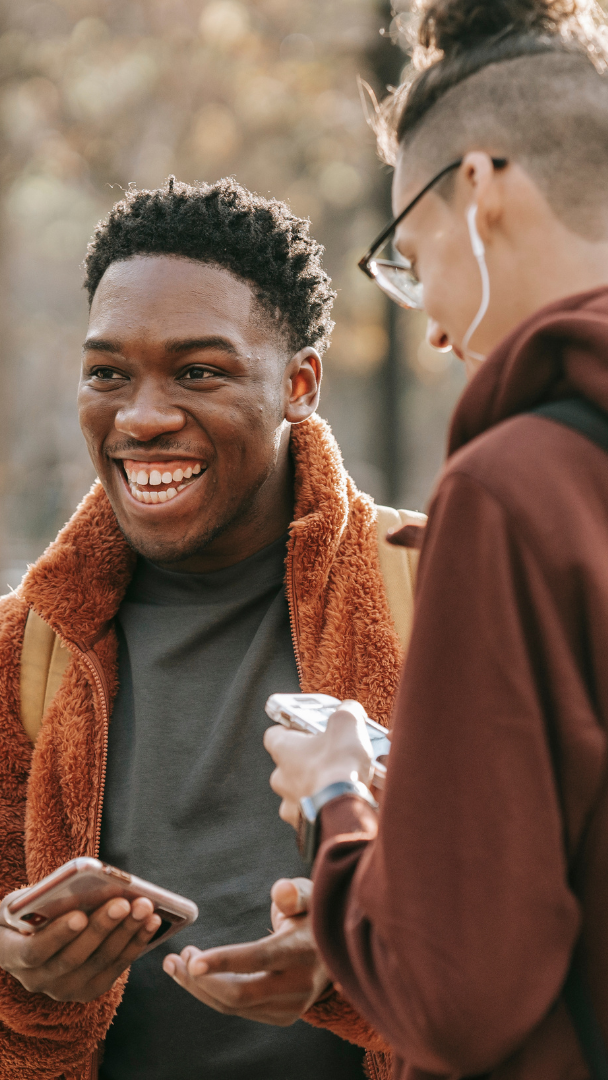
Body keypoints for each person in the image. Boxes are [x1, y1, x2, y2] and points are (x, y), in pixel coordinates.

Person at [0, 179, 417, 1080]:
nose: (141, 417)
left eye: (198, 372)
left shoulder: (440, 592)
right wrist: (16, 970)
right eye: (108, 373)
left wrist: (351, 962)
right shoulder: (10, 657)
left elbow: (542, 937)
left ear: (299, 384)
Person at [255, 1, 608, 1077]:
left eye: (410, 255)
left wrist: (338, 799)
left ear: (480, 189)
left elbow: (461, 994)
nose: (435, 323)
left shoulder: (515, 491)